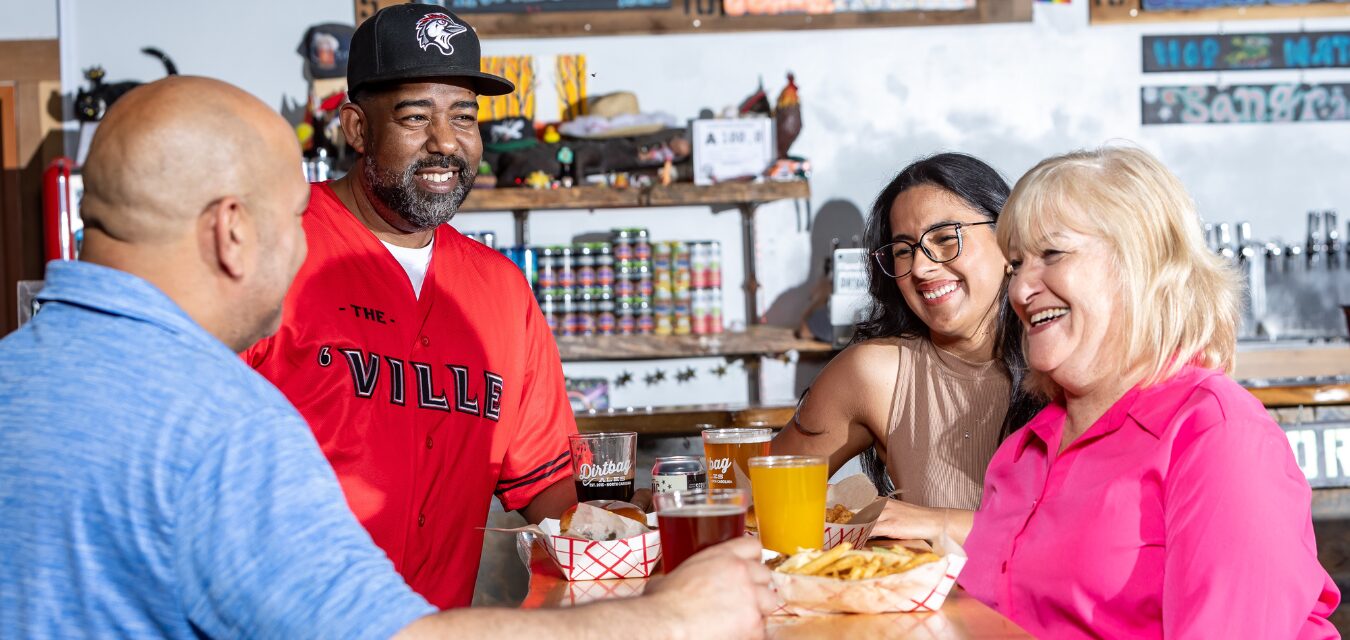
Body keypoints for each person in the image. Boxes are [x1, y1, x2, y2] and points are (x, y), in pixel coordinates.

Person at [0, 75, 774, 639]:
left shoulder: (16, 377)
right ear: (231, 231)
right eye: (297, 214)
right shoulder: (218, 425)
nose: (308, 240)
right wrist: (672, 616)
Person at [243, 5, 577, 608]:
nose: (445, 143)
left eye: (464, 117)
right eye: (415, 116)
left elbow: (547, 485)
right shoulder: (271, 249)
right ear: (356, 128)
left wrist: (624, 535)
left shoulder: (502, 290)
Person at [960, 145, 1340, 638]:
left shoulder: (1216, 435)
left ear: (1139, 264)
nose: (1019, 290)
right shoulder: (1024, 450)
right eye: (1015, 265)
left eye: (1052, 253)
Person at [771, 153, 1041, 543]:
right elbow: (760, 492)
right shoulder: (874, 374)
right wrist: (679, 494)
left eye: (945, 239)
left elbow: (1088, 534)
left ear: (1008, 238)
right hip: (932, 605)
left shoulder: (1064, 362)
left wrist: (936, 523)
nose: (920, 267)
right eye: (902, 250)